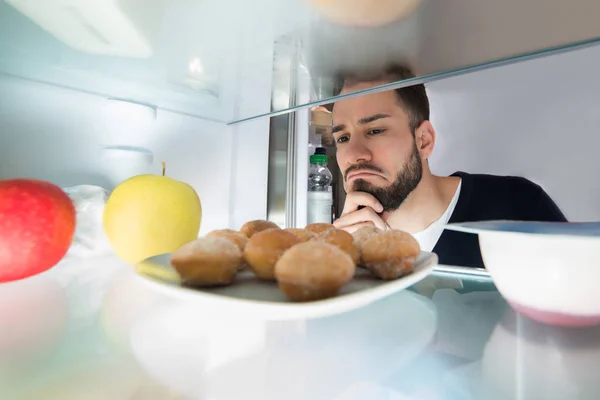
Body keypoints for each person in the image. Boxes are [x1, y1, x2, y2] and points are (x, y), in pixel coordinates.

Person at [330, 64, 567, 268]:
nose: (353, 154)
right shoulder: (346, 252)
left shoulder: (518, 207)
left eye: (375, 130)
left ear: (424, 140)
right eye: (342, 138)